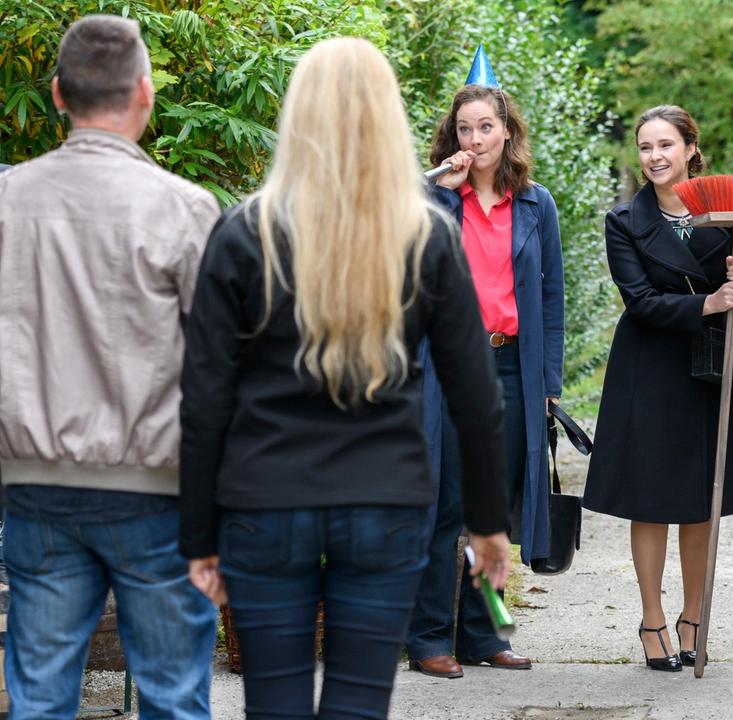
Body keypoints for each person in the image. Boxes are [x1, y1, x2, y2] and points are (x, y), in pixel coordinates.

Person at [178, 38, 512, 716]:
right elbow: (478, 402)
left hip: (264, 503)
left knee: (273, 707)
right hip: (385, 502)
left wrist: (198, 536)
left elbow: (205, 398)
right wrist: (486, 526)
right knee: (359, 708)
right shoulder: (426, 235)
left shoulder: (244, 233)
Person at [0, 15, 220, 718]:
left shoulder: (8, 203)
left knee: (37, 701)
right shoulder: (186, 210)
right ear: (145, 95)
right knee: (174, 698)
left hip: (32, 487)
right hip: (156, 490)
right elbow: (218, 369)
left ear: (58, 95)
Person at [582, 105, 733, 672]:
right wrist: (708, 302)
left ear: (691, 148)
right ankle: (652, 622)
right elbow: (639, 301)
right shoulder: (625, 220)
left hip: (709, 370)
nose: (655, 156)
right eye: (645, 147)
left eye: (666, 145)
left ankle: (694, 618)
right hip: (648, 370)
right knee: (651, 502)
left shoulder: (728, 214)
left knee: (701, 502)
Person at [404, 74, 564, 678]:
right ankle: (427, 640)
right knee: (443, 505)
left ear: (507, 132)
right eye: (464, 128)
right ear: (453, 136)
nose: (476, 139)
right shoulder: (438, 197)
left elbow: (552, 299)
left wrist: (548, 382)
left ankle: (484, 634)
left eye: (486, 127)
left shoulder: (536, 204)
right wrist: (435, 188)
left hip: (510, 366)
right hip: (445, 367)